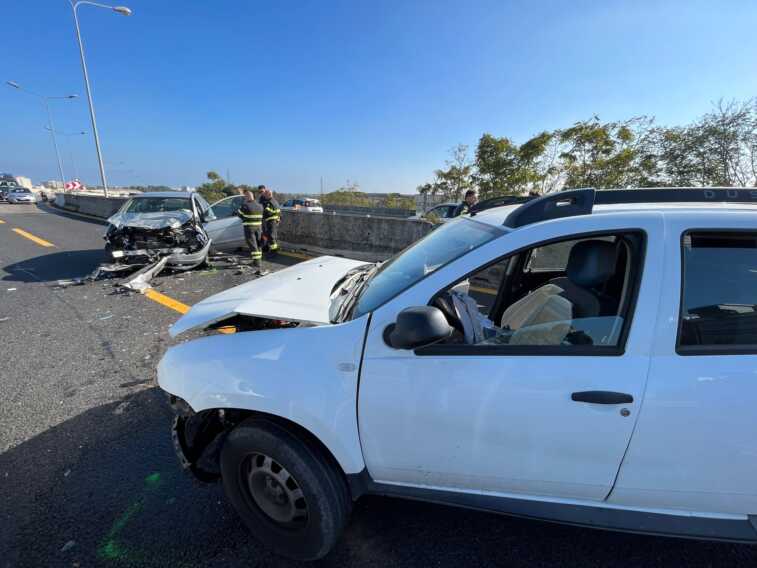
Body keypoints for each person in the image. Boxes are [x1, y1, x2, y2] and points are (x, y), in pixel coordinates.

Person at [236, 188, 267, 275]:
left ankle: (256, 262)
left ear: (247, 197)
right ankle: (258, 260)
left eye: (245, 197)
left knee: (252, 245)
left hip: (249, 228)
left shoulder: (245, 205)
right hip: (259, 227)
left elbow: (239, 214)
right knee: (258, 244)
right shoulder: (260, 206)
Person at [258, 185, 281, 255]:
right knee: (266, 234)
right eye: (260, 192)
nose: (262, 194)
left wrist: (264, 209)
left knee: (271, 236)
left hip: (271, 221)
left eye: (263, 192)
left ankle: (274, 251)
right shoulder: (264, 200)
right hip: (268, 220)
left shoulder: (270, 202)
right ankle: (267, 247)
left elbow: (269, 212)